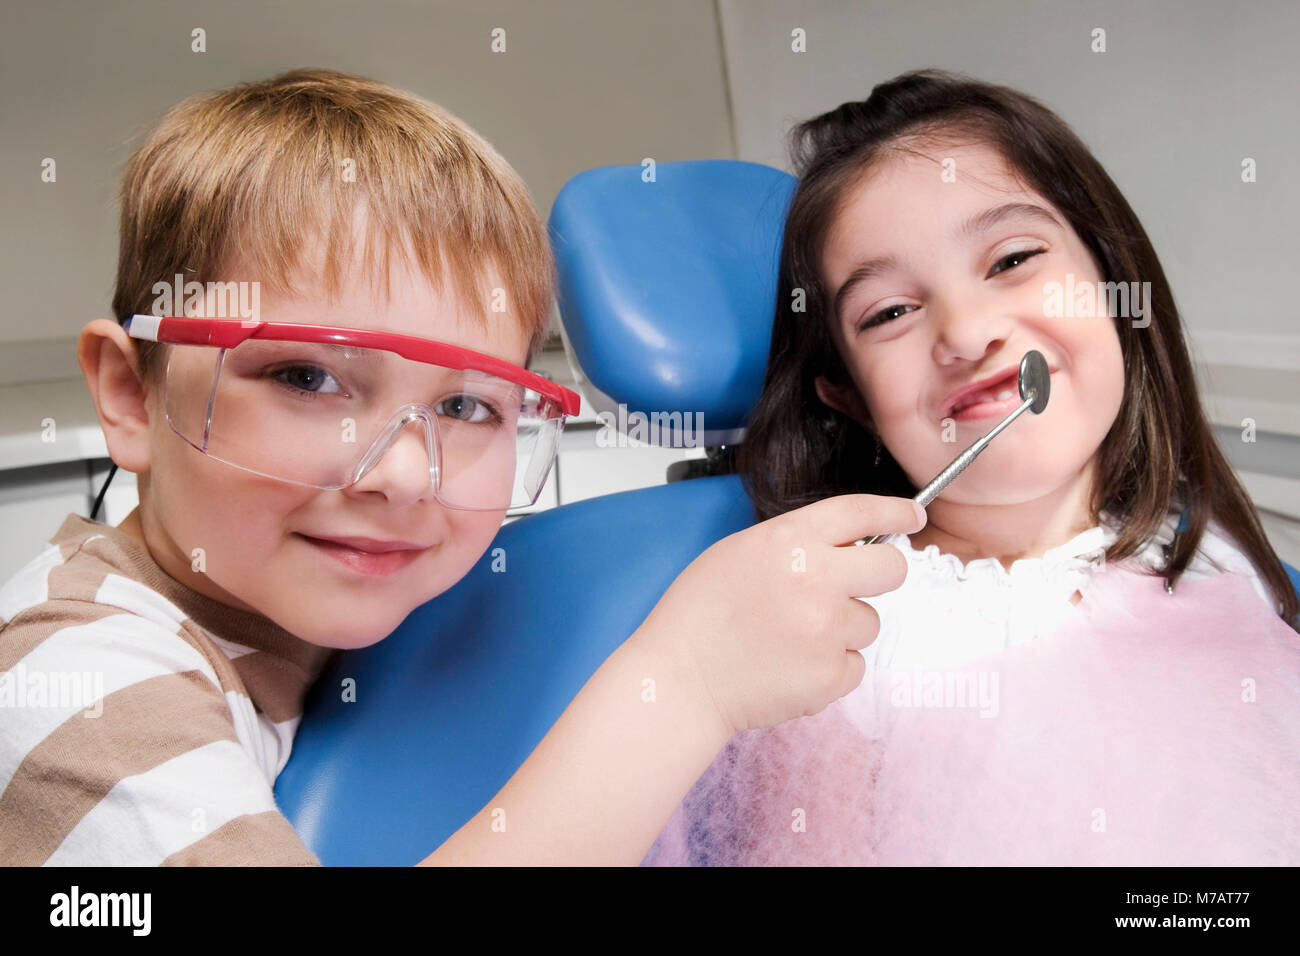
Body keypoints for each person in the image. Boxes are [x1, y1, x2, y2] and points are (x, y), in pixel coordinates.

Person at [0, 68, 925, 866]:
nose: (404, 474)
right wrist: (686, 689)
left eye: (465, 407)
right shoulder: (74, 693)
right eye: (307, 376)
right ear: (130, 393)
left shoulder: (463, 591)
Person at [645, 69, 1300, 866]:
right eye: (890, 312)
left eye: (1013, 258)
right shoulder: (851, 635)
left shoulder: (1213, 557)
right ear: (848, 397)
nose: (966, 330)